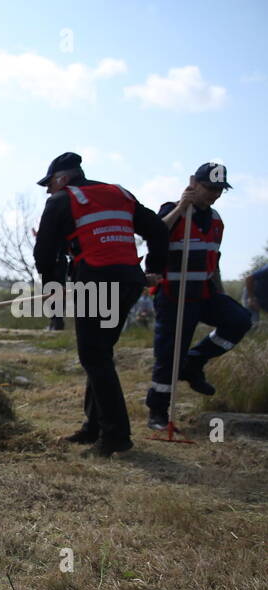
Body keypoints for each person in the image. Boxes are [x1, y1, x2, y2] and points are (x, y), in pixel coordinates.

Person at [32, 151, 168, 455]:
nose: (48, 190)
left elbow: (44, 254)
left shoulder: (61, 200)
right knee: (101, 354)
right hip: (130, 283)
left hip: (97, 282)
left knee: (94, 356)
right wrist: (154, 269)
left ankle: (116, 436)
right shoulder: (119, 192)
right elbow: (158, 229)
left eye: (50, 184)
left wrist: (52, 289)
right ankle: (94, 427)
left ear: (62, 178)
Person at [144, 163, 254, 430]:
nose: (215, 194)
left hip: (204, 293)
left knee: (239, 319)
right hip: (173, 295)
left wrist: (221, 294)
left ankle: (194, 361)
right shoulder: (173, 210)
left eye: (219, 190)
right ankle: (157, 412)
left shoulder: (216, 221)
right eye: (210, 188)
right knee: (169, 354)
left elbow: (213, 262)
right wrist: (181, 209)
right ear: (196, 185)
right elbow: (154, 234)